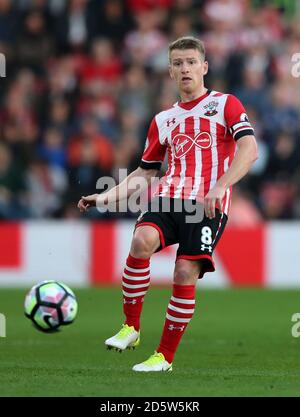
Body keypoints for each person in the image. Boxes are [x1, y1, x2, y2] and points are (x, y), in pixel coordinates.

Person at [78, 36, 258, 372]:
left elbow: (249, 149)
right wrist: (103, 197)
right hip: (169, 196)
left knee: (184, 271)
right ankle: (131, 327)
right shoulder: (163, 120)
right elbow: (143, 173)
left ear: (204, 67)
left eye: (191, 62)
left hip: (207, 205)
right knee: (140, 241)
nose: (185, 68)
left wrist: (221, 185)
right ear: (171, 73)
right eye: (178, 63)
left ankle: (164, 357)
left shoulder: (225, 104)